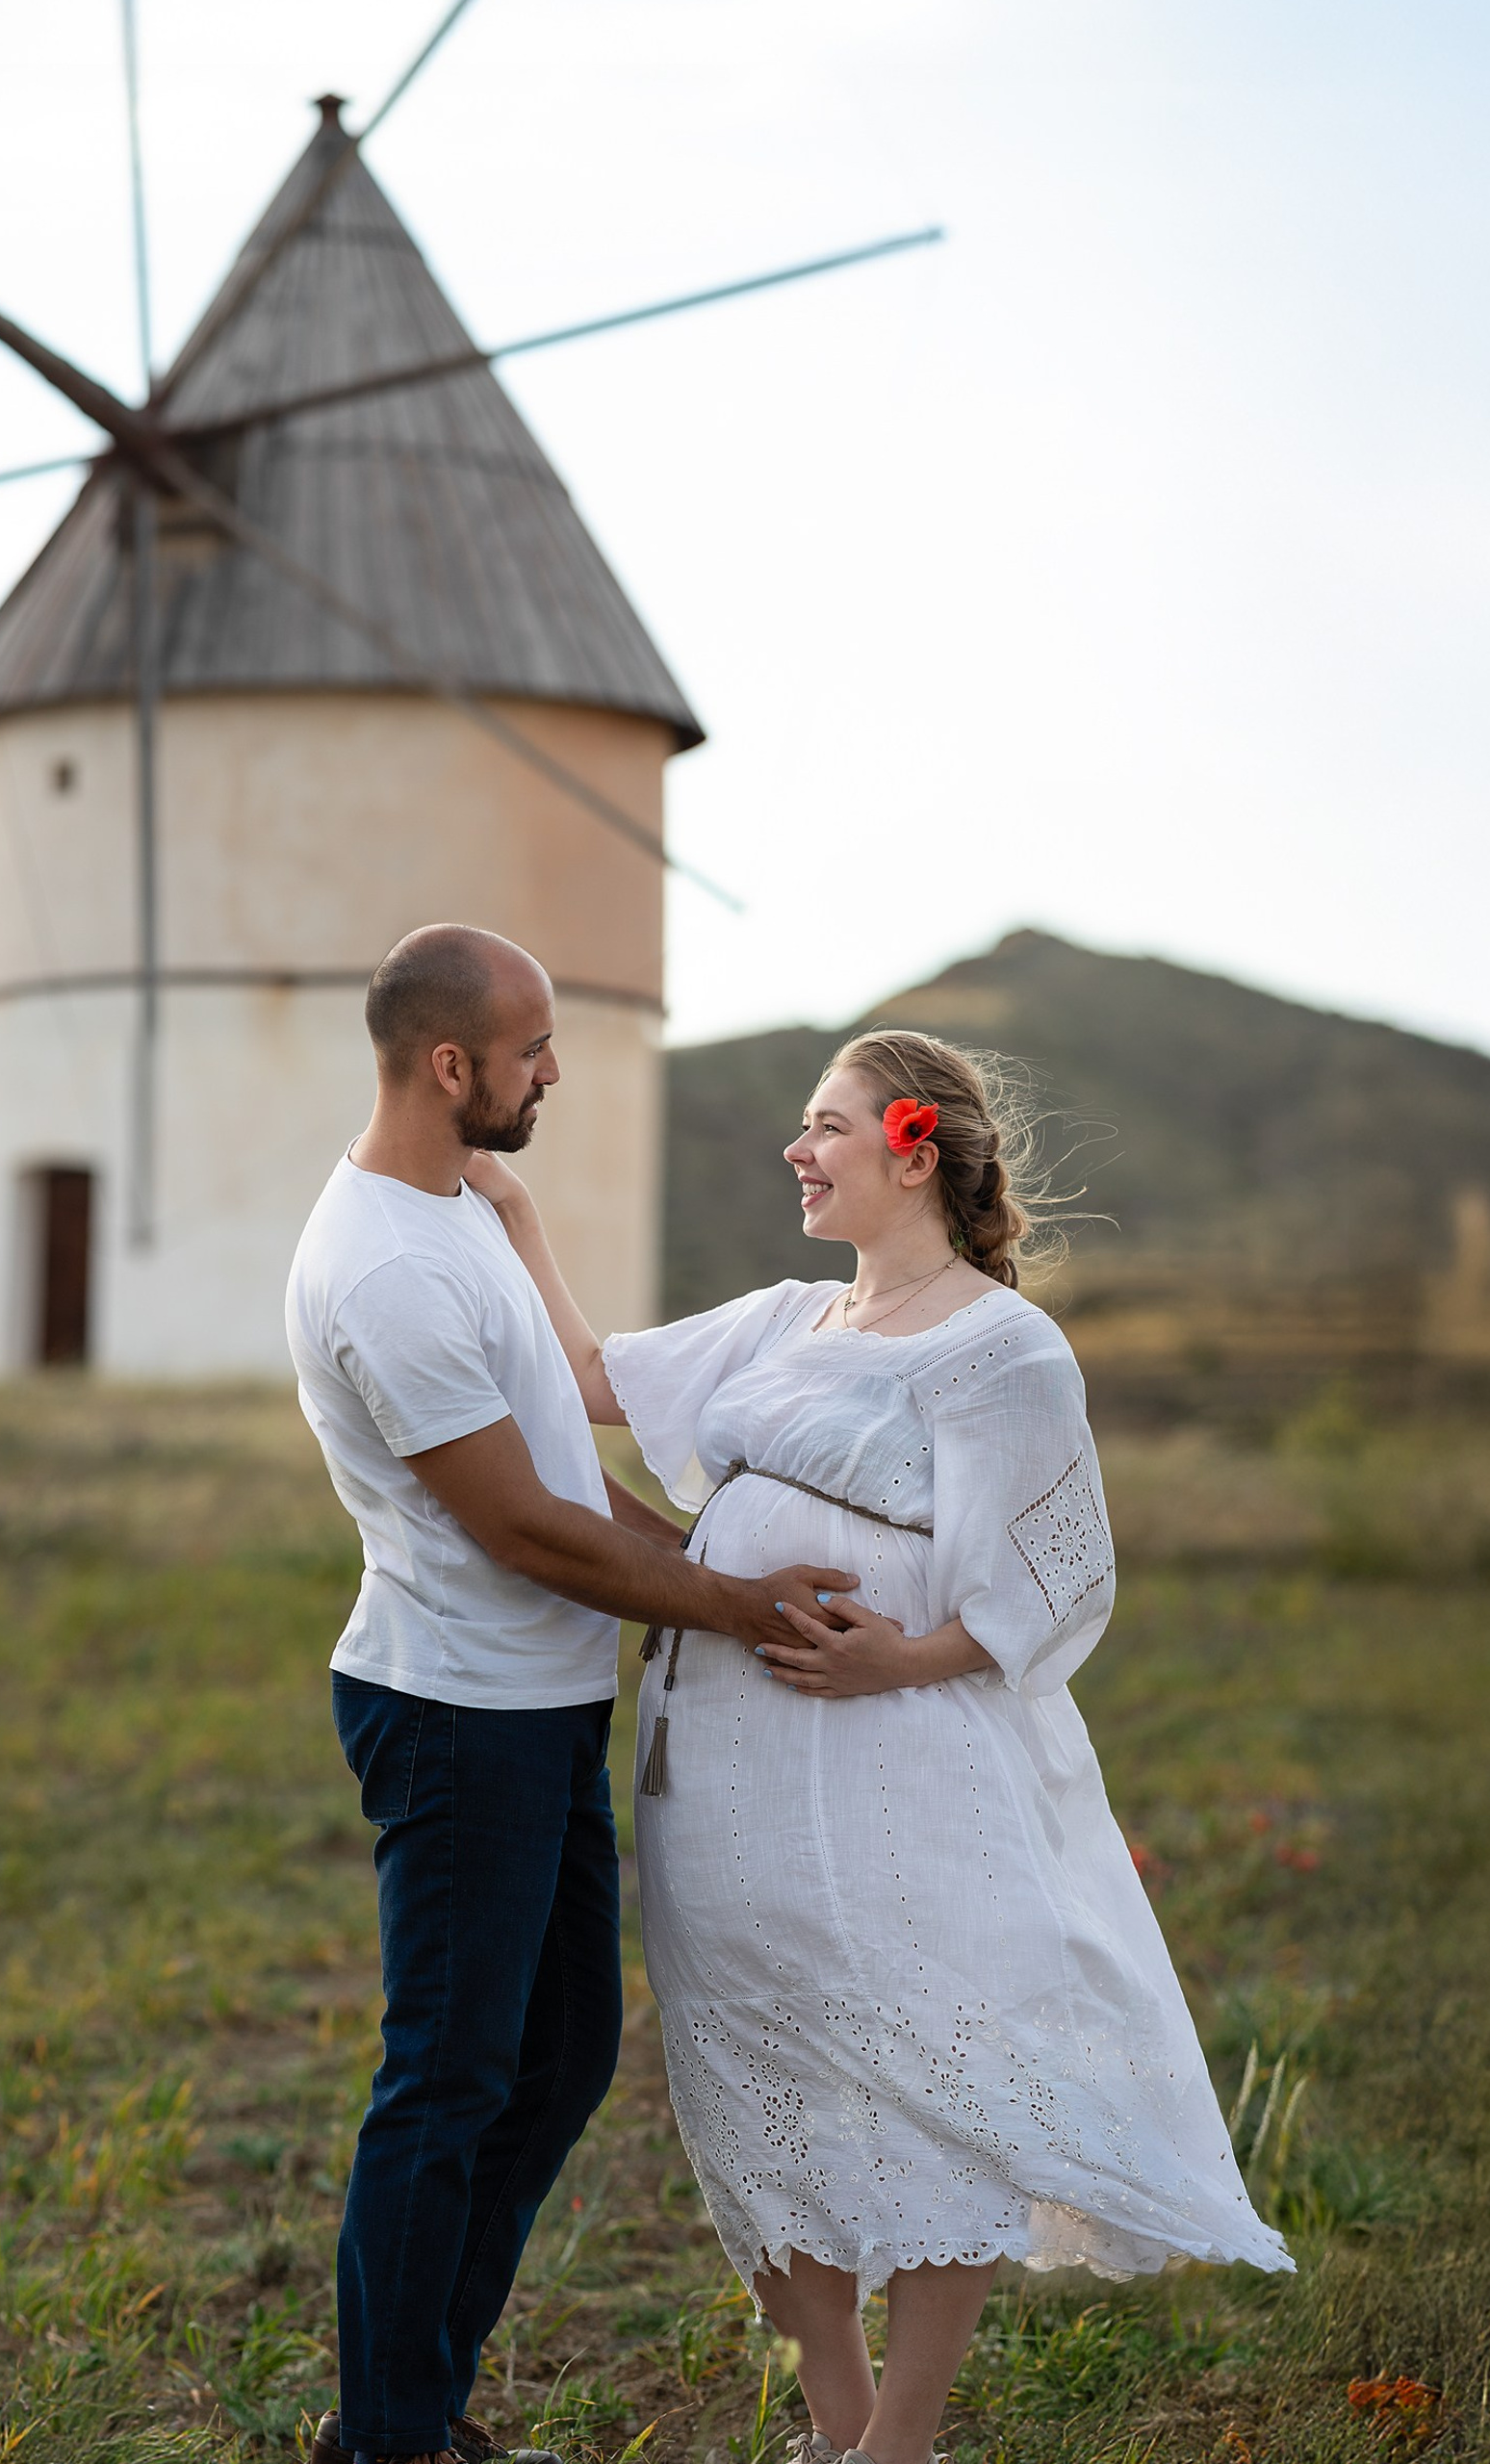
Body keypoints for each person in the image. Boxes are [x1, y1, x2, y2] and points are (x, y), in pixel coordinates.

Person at [465, 1027, 1293, 2464]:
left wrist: (904, 1655)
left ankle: (900, 2444)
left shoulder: (1001, 1344)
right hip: (720, 1758)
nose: (799, 1149)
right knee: (755, 2074)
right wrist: (518, 1215)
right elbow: (592, 1378)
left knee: (928, 2069)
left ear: (912, 1145)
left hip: (895, 1755)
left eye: (827, 1125)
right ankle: (836, 2426)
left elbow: (1058, 1570)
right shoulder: (789, 1317)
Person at [288, 925, 855, 2464]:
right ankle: (392, 2442)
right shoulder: (386, 1267)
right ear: (451, 1063)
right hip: (458, 1718)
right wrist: (728, 1605)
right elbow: (524, 1528)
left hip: (534, 1711)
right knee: (450, 2079)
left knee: (555, 2061)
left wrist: (698, 1550)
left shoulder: (461, 1200)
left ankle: (415, 2415)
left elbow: (560, 1468)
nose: (559, 1071)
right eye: (535, 1048)